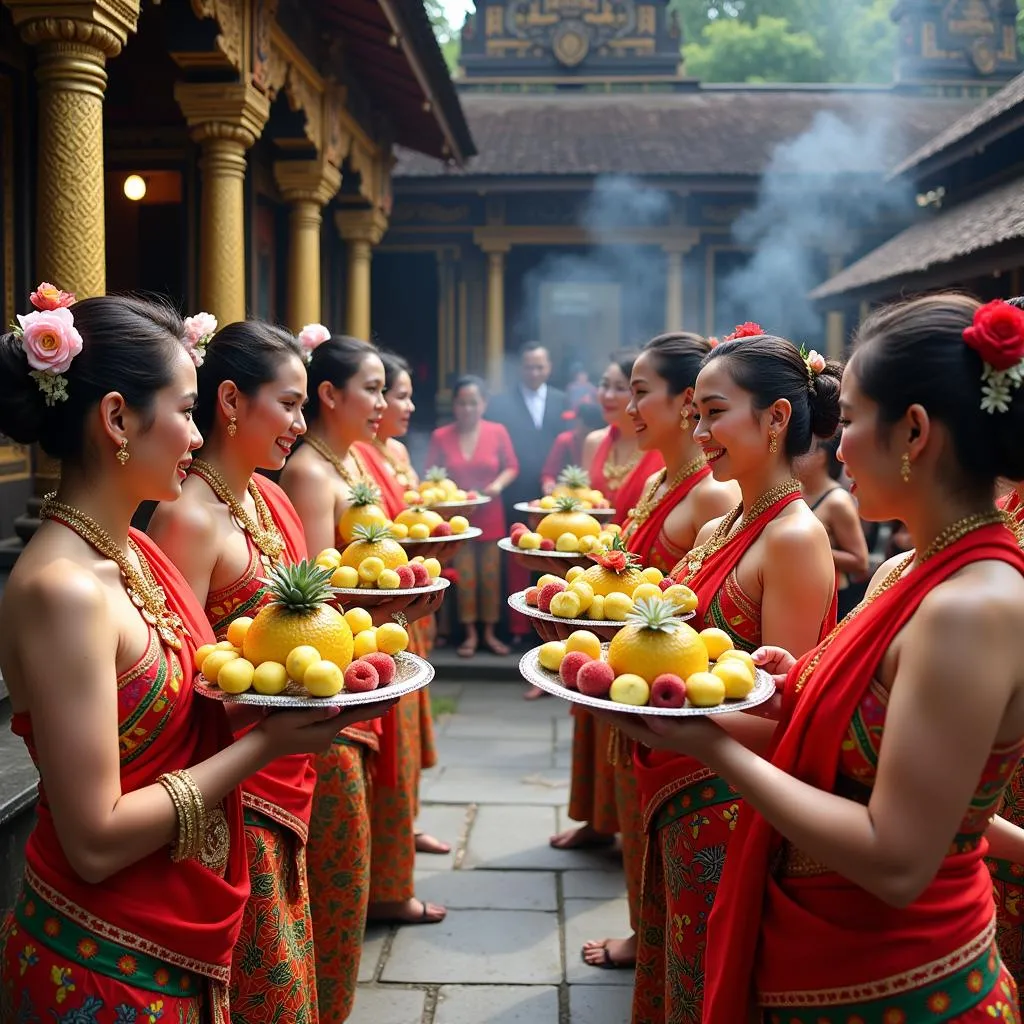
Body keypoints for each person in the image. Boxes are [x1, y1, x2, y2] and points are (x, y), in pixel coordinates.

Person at [0, 291, 385, 1021]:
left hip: (181, 920)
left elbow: (198, 699)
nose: (196, 432)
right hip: (104, 957)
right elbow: (96, 838)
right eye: (184, 410)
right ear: (117, 418)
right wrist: (268, 742)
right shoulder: (63, 590)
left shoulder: (135, 553)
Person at [641, 294, 1024, 1023]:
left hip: (904, 986)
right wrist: (790, 694)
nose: (833, 446)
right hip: (825, 959)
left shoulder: (974, 606)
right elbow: (853, 747)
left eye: (848, 419)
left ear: (914, 431)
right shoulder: (902, 573)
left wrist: (712, 747)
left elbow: (898, 858)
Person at [611, 329, 839, 1024]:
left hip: (730, 805)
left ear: (775, 419)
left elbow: (782, 714)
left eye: (715, 412)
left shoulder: (795, 537)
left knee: (712, 978)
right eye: (697, 413)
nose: (698, 429)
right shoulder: (729, 525)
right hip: (681, 784)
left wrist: (673, 724)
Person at [146, 319, 322, 1020]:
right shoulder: (187, 518)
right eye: (288, 403)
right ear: (229, 401)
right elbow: (182, 671)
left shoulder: (268, 496)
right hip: (237, 780)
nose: (298, 423)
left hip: (281, 760)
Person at [279, 334, 444, 1017]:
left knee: (391, 777)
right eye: (373, 388)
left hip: (374, 645)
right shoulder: (312, 473)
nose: (382, 403)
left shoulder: (346, 462)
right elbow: (318, 586)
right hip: (333, 662)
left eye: (385, 389)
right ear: (330, 395)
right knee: (339, 837)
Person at [571, 333, 739, 972]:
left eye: (641, 392)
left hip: (674, 690)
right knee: (641, 829)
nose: (628, 407)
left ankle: (653, 941)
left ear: (687, 402)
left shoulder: (710, 494)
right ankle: (647, 935)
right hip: (638, 679)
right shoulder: (660, 481)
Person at [351, 350, 453, 922]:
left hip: (388, 629)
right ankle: (388, 888)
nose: (394, 403)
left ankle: (398, 856)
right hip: (358, 642)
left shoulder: (359, 460)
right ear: (331, 396)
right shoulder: (326, 469)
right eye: (382, 390)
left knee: (404, 753)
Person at [427, 375, 519, 657]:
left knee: (490, 576)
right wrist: (447, 493)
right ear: (454, 405)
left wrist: (497, 485)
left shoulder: (497, 431)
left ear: (484, 404)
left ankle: (489, 633)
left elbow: (512, 466)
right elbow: (431, 475)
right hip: (458, 518)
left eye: (473, 403)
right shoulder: (441, 435)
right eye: (462, 403)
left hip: (491, 512)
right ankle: (469, 634)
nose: (467, 409)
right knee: (466, 576)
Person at [487, 342, 568, 642]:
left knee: (554, 557)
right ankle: (516, 627)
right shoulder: (500, 403)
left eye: (540, 366)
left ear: (549, 368)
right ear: (520, 368)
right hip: (513, 491)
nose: (534, 372)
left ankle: (552, 626)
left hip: (553, 493)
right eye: (529, 366)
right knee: (516, 555)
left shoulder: (562, 400)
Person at [580, 351, 663, 519]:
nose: (608, 395)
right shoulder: (593, 442)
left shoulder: (661, 446)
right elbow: (584, 503)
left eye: (619, 388)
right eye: (604, 385)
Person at [795, 433, 871, 617]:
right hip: (802, 594)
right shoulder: (796, 491)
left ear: (821, 457)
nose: (793, 456)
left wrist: (812, 547)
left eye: (802, 451)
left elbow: (861, 561)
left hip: (833, 599)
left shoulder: (837, 501)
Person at [541, 403, 605, 493]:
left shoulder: (606, 442)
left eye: (577, 420)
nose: (574, 424)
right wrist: (548, 483)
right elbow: (549, 473)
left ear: (590, 426)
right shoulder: (565, 440)